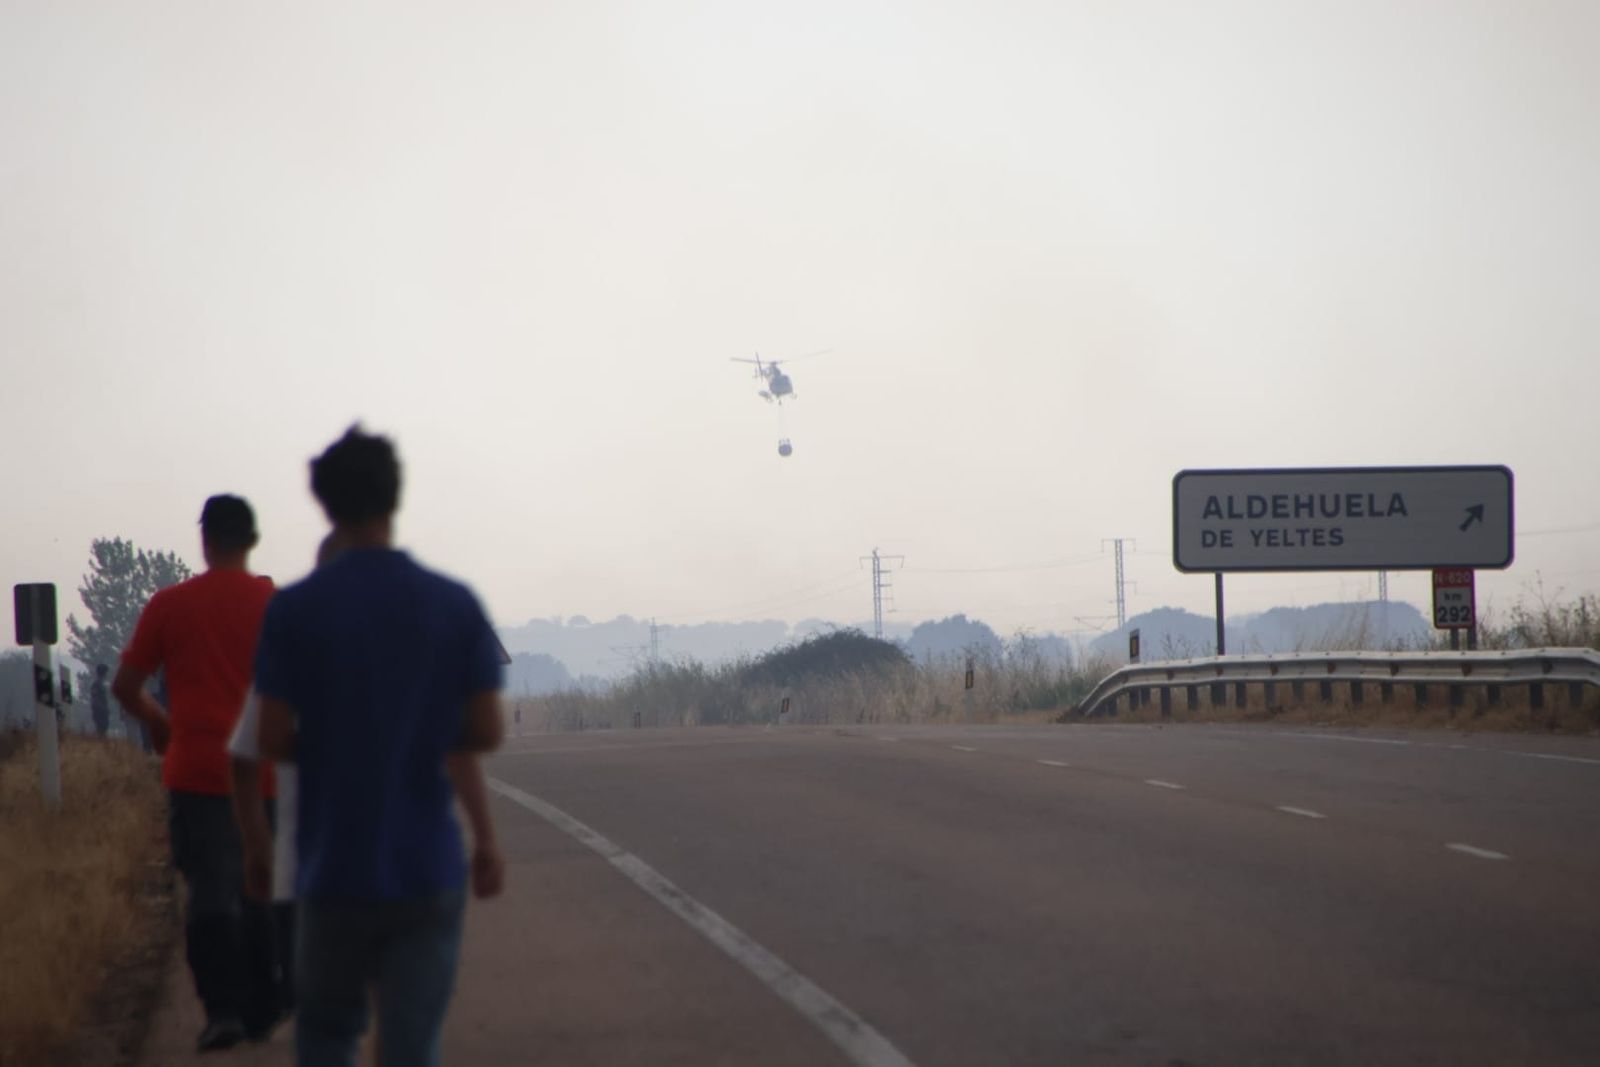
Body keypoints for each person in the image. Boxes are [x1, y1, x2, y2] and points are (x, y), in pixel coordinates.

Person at [254, 427, 505, 1067]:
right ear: (395, 498)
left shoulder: (293, 611)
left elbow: (271, 736)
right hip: (426, 869)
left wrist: (341, 738)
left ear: (325, 504)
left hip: (332, 870)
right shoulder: (452, 604)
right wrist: (417, 735)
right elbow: (486, 731)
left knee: (328, 1036)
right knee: (411, 1046)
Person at [112, 494, 281, 1052]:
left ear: (204, 542)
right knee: (259, 886)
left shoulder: (170, 605)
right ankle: (264, 1002)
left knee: (210, 888)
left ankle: (222, 1009)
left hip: (196, 774)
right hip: (263, 776)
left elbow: (125, 687)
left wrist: (160, 722)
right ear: (252, 541)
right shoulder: (274, 606)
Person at [90, 663, 112, 737]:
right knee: (101, 728)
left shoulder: (102, 683)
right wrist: (102, 708)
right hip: (99, 709)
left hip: (102, 708)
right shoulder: (97, 683)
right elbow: (94, 696)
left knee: (104, 727)